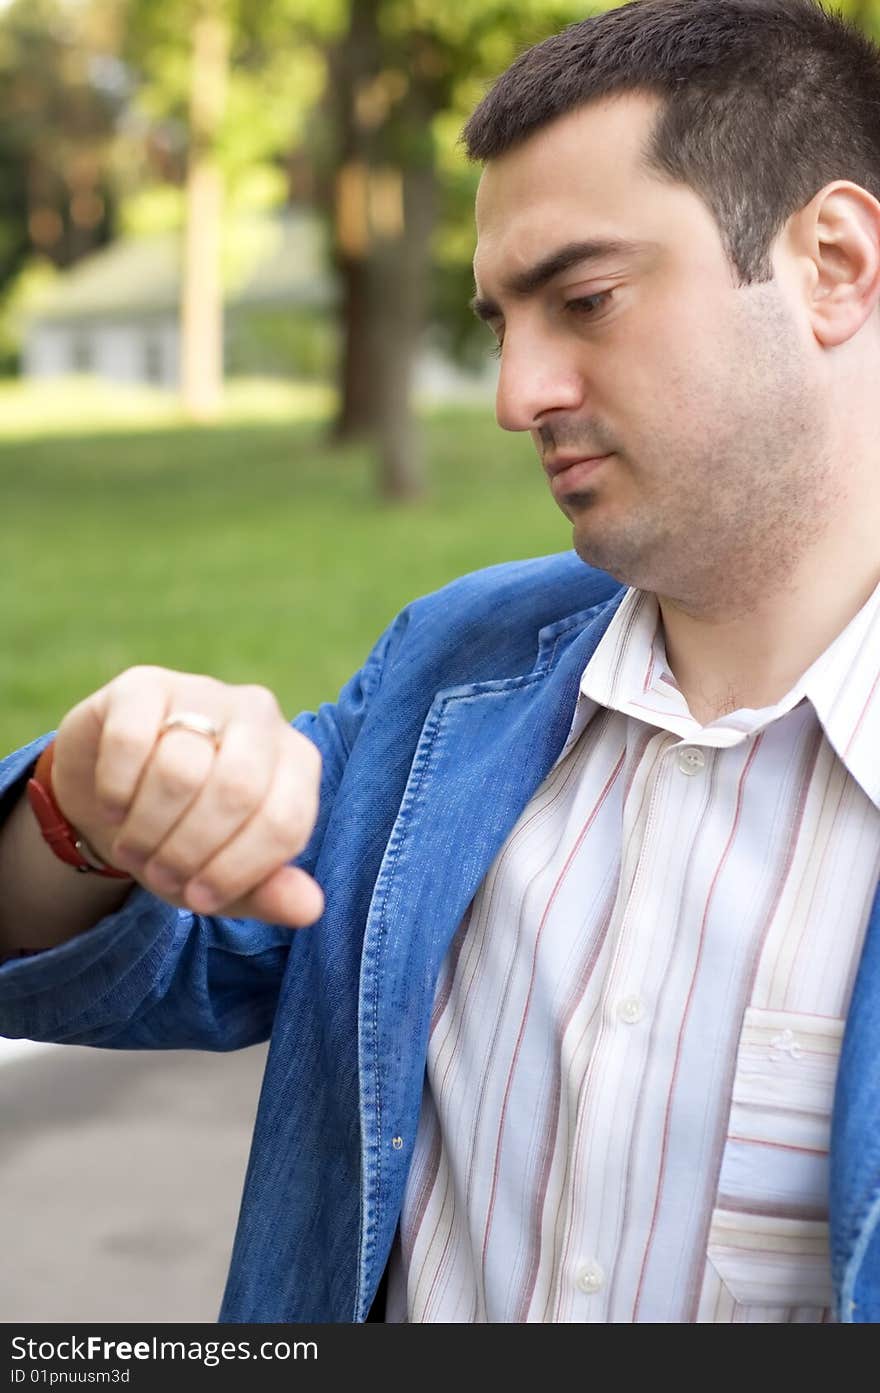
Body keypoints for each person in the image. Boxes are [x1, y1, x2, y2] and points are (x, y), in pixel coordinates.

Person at [2, 0, 880, 1324]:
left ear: (836, 262)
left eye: (584, 299)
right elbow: (137, 956)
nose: (516, 392)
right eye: (499, 323)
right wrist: (87, 804)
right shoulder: (450, 672)